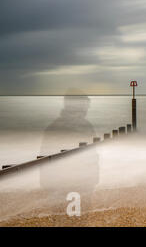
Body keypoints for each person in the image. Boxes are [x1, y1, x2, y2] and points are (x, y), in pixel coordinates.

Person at [39, 89, 99, 224]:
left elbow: (45, 159)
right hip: (72, 184)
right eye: (86, 103)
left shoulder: (54, 127)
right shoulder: (85, 126)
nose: (88, 106)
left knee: (68, 220)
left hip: (71, 184)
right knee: (75, 220)